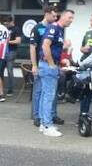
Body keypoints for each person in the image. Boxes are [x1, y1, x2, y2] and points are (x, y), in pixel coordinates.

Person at [39, 9, 75, 137]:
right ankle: (47, 125)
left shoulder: (59, 30)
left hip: (49, 65)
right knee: (49, 96)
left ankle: (44, 124)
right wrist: (51, 63)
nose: (71, 20)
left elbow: (53, 47)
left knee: (45, 96)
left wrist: (61, 59)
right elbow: (45, 46)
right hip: (48, 66)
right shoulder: (54, 28)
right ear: (63, 17)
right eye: (70, 18)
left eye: (72, 18)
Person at [30, 6, 63, 128]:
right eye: (53, 16)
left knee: (51, 91)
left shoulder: (56, 28)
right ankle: (37, 116)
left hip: (52, 63)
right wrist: (34, 65)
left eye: (57, 16)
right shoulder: (38, 28)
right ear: (47, 14)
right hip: (41, 63)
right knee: (39, 91)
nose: (55, 18)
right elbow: (33, 47)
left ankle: (52, 114)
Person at [4, 16, 22, 96]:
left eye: (7, 24)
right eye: (5, 24)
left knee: (9, 70)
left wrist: (8, 42)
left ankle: (10, 89)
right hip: (3, 51)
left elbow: (18, 41)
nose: (6, 25)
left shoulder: (16, 29)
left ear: (11, 22)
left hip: (11, 51)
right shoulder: (4, 29)